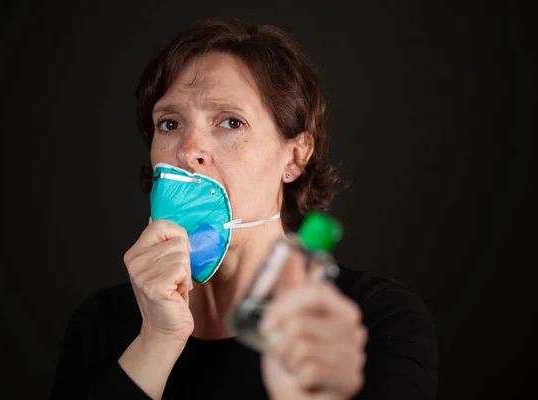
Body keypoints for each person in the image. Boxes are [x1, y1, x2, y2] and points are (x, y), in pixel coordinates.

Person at [49, 17, 438, 400]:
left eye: (230, 122)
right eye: (169, 124)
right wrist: (158, 341)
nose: (188, 150)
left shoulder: (377, 321)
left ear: (296, 156)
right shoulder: (100, 325)